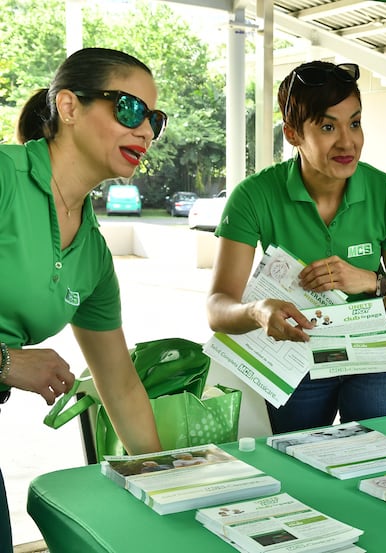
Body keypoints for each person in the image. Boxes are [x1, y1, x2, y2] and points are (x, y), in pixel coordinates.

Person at [0, 47, 167, 549]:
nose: (145, 131)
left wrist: (166, 477)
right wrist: (6, 363)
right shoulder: (5, 177)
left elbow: (119, 384)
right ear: (69, 107)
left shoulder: (92, 253)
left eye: (154, 119)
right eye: (130, 109)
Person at [206, 60, 386, 434]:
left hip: (376, 349)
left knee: (377, 460)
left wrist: (371, 282)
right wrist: (258, 311)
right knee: (297, 463)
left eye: (354, 122)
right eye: (327, 126)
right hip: (295, 349)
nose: (347, 141)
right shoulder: (254, 196)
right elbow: (217, 308)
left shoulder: (385, 191)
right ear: (292, 134)